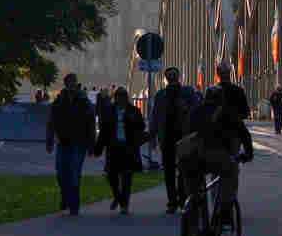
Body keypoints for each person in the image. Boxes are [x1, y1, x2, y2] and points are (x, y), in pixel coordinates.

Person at [182, 85, 252, 225]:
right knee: (231, 171)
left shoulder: (195, 112)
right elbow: (244, 134)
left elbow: (185, 133)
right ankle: (225, 210)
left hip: (192, 158)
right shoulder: (227, 112)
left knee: (194, 188)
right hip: (216, 155)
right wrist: (248, 153)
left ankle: (193, 219)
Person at [46, 73, 96, 216]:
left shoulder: (84, 101)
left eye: (73, 83)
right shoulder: (59, 101)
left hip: (79, 143)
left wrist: (91, 143)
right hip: (63, 143)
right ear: (66, 84)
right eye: (69, 83)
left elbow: (91, 123)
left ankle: (74, 204)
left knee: (74, 174)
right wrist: (50, 141)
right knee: (61, 173)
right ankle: (66, 198)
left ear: (76, 83)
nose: (71, 85)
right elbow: (51, 122)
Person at [151, 66, 199, 214]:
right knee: (169, 171)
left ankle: (183, 198)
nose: (172, 78)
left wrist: (185, 108)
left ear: (178, 77)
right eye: (169, 76)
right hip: (167, 136)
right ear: (166, 78)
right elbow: (155, 116)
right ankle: (172, 201)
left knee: (184, 169)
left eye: (174, 76)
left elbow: (196, 110)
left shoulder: (187, 92)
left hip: (184, 136)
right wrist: (153, 134)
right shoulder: (160, 95)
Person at [94, 86, 145, 214]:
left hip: (128, 147)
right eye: (118, 97)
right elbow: (104, 131)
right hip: (113, 147)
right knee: (111, 175)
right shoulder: (109, 111)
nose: (120, 100)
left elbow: (141, 126)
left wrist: (133, 123)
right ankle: (117, 196)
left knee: (127, 177)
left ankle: (124, 204)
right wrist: (98, 148)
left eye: (123, 97)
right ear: (115, 99)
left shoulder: (134, 111)